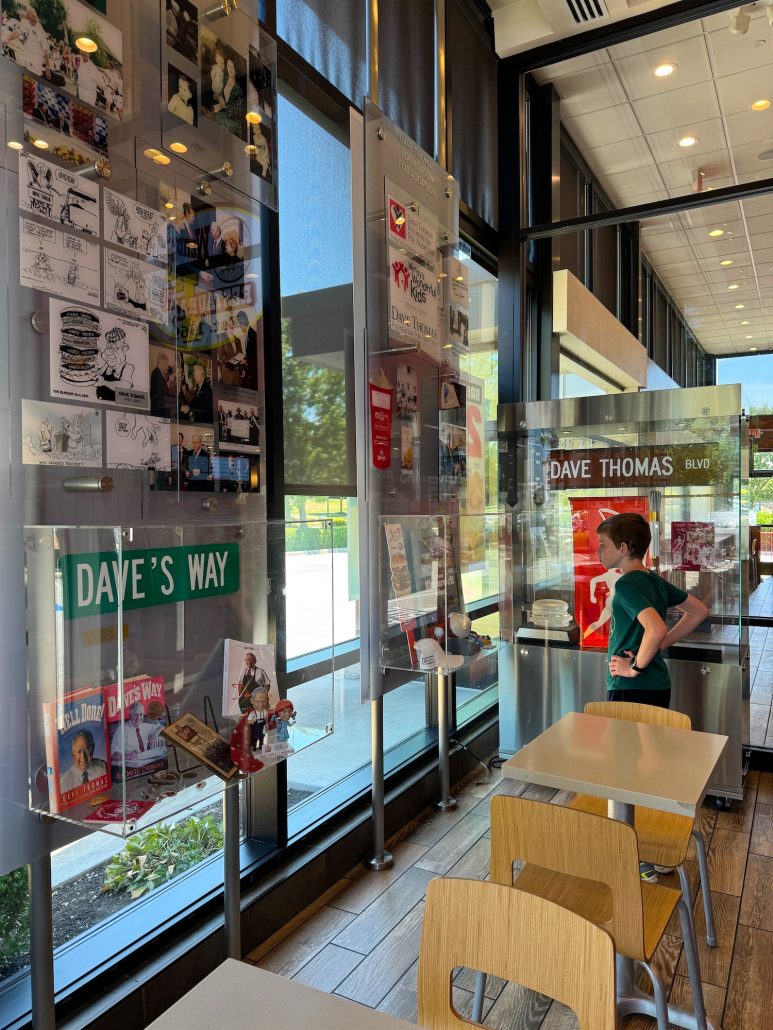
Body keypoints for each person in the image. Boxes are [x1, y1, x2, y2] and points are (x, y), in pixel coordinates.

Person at [598, 512, 710, 880]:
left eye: (603, 546)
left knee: (624, 770)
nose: (598, 552)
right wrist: (659, 647)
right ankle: (649, 847)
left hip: (633, 687)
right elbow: (698, 612)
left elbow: (655, 625)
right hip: (657, 686)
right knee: (647, 766)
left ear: (624, 548)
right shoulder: (654, 581)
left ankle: (629, 855)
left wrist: (636, 667)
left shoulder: (630, 584)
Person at [214, 57, 244, 135]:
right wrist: (217, 95)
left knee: (217, 117)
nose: (229, 69)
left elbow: (237, 112)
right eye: (228, 66)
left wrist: (224, 107)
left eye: (232, 67)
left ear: (236, 70)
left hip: (233, 121)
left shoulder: (238, 90)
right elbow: (218, 94)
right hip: (222, 112)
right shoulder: (224, 78)